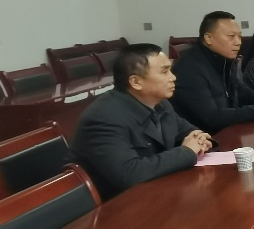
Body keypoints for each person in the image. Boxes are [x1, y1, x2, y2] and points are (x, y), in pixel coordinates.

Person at [71, 44, 213, 199]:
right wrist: (187, 152)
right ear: (136, 82)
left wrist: (200, 140)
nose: (173, 77)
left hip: (156, 192)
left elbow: (188, 131)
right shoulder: (103, 118)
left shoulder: (160, 103)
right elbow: (130, 174)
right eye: (164, 71)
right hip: (115, 204)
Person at [171, 11, 254, 133]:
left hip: (229, 131)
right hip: (205, 139)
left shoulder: (223, 60)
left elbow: (240, 91)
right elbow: (212, 118)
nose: (238, 42)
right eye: (231, 36)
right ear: (208, 38)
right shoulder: (190, 69)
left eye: (239, 36)